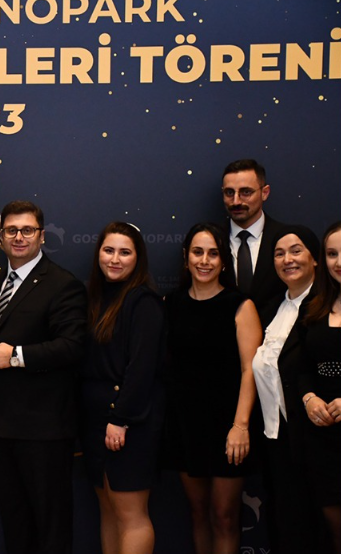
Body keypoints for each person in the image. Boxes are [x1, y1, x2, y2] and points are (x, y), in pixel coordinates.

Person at [0, 201, 87, 554]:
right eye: (11, 230)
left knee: (50, 525)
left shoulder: (63, 284)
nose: (19, 237)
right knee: (15, 522)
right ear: (0, 237)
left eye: (27, 230)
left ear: (42, 236)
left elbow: (72, 346)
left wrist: (16, 356)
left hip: (43, 429)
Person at [163, 223, 262, 554]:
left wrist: (240, 426)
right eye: (197, 252)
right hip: (185, 426)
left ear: (223, 261)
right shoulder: (171, 304)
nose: (204, 261)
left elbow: (250, 370)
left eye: (213, 254)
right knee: (198, 514)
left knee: (224, 517)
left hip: (228, 427)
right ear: (186, 257)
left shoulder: (240, 305)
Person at [79, 221, 165, 554]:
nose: (115, 259)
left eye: (125, 252)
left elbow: (141, 369)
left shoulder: (144, 302)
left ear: (138, 258)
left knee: (131, 515)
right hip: (96, 421)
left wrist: (120, 418)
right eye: (108, 250)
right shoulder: (96, 298)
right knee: (108, 510)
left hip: (129, 423)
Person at [252, 225, 328, 554]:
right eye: (279, 254)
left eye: (296, 251)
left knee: (319, 526)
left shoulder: (328, 307)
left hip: (318, 435)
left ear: (315, 258)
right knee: (286, 523)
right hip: (276, 437)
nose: (287, 260)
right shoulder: (270, 309)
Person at [300, 221, 341, 554]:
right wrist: (309, 398)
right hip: (323, 434)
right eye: (331, 254)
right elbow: (302, 365)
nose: (339, 262)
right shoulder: (315, 306)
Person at [221, 159, 286, 313]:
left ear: (265, 193)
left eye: (246, 192)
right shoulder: (211, 241)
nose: (236, 201)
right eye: (229, 193)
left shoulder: (286, 238)